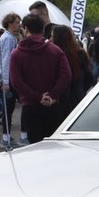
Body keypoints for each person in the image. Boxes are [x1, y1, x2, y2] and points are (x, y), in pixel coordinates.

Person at [9, 14, 71, 143]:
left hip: (30, 106)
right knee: (53, 146)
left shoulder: (17, 54)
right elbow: (66, 76)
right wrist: (52, 95)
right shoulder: (55, 50)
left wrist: (37, 97)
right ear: (42, 29)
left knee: (36, 147)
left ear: (26, 29)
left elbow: (16, 81)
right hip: (53, 106)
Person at [0, 12, 24, 148]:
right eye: (17, 22)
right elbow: (6, 61)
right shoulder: (8, 39)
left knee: (10, 108)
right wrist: (5, 81)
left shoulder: (10, 37)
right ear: (10, 23)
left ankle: (8, 136)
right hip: (10, 79)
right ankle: (6, 138)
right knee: (9, 108)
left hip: (10, 78)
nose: (19, 24)